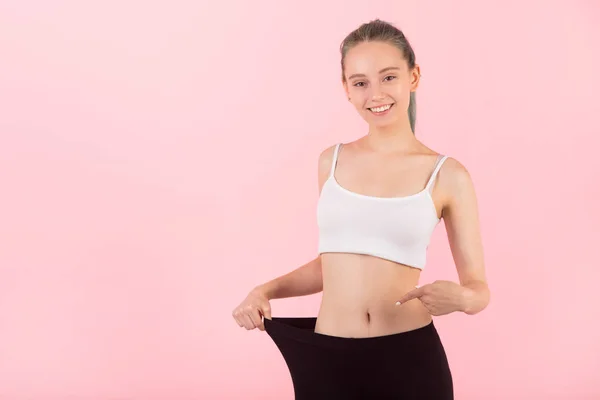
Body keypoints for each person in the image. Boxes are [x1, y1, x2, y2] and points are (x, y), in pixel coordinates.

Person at [232, 19, 490, 400]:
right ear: (347, 90)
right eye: (360, 82)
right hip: (327, 359)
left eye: (389, 77)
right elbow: (332, 264)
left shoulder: (448, 175)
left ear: (413, 77)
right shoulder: (330, 161)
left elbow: (479, 288)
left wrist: (465, 299)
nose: (376, 93)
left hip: (408, 358)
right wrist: (263, 290)